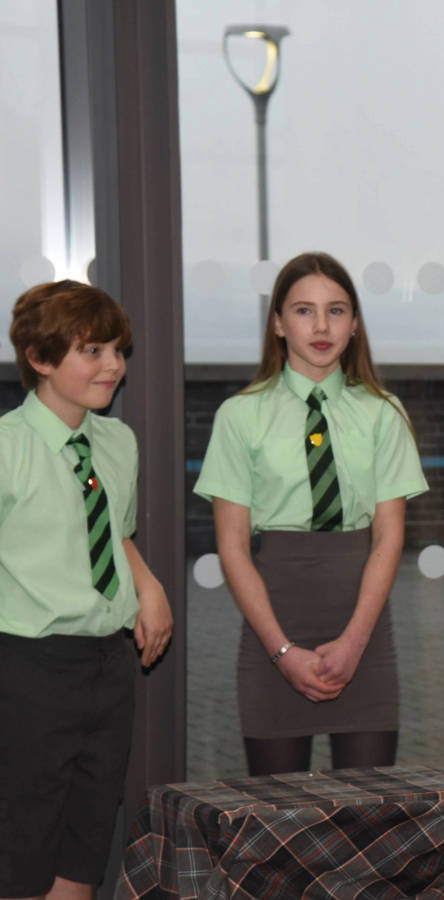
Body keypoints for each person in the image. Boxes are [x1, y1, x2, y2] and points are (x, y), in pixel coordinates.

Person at [194, 252, 428, 776]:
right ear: (278, 323)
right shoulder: (240, 415)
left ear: (355, 324)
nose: (321, 326)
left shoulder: (384, 413)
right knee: (280, 830)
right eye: (304, 311)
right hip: (271, 629)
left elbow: (388, 540)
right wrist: (282, 651)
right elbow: (231, 549)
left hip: (363, 630)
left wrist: (353, 643)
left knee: (367, 823)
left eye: (337, 311)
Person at [0, 281, 173, 900]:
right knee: (23, 845)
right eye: (93, 351)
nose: (114, 366)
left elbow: (113, 533)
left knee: (87, 837)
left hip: (107, 666)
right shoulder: (7, 449)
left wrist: (148, 585)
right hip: (28, 670)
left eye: (118, 351)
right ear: (41, 360)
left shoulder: (116, 442)